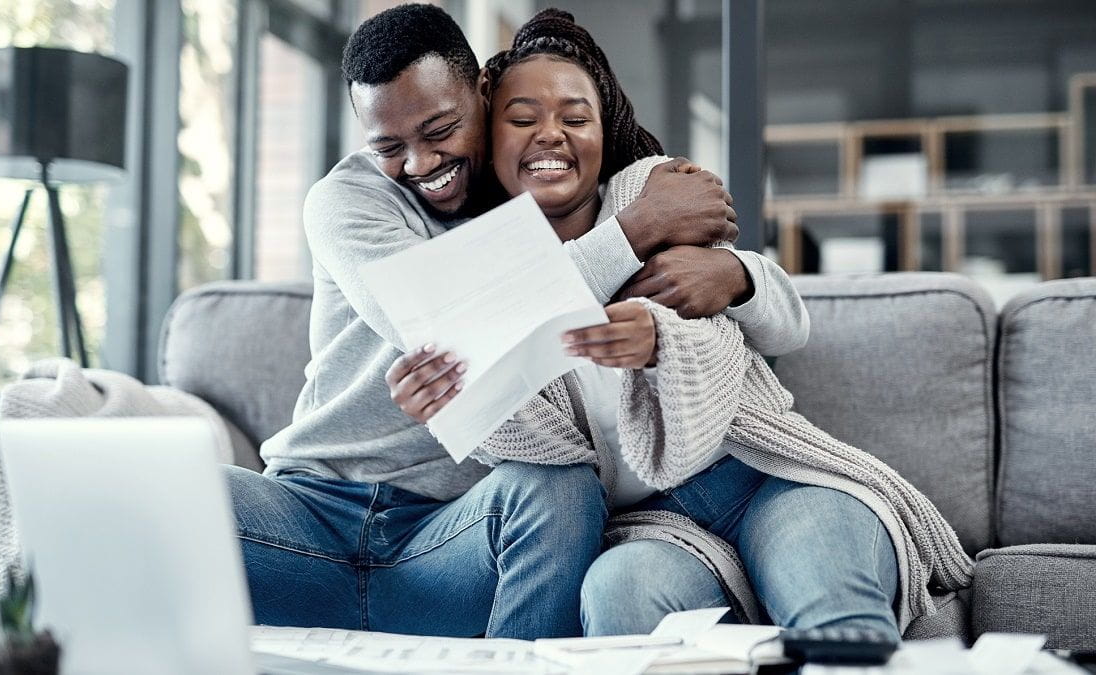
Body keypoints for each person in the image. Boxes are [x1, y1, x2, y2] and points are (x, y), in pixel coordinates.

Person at [223, 4, 808, 640]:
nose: (421, 165)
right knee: (168, 491)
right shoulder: (348, 201)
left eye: (440, 130)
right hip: (308, 514)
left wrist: (737, 274)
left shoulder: (549, 196)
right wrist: (637, 230)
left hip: (451, 539)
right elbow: (450, 324)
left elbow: (761, 313)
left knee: (557, 489)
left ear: (481, 93)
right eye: (389, 146)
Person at [388, 8, 972, 643]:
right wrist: (454, 398)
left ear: (603, 134)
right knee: (620, 594)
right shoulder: (479, 274)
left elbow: (759, 328)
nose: (551, 134)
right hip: (654, 527)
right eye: (523, 119)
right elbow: (535, 450)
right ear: (486, 136)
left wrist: (721, 286)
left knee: (831, 611)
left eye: (575, 119)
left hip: (765, 473)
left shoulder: (653, 196)